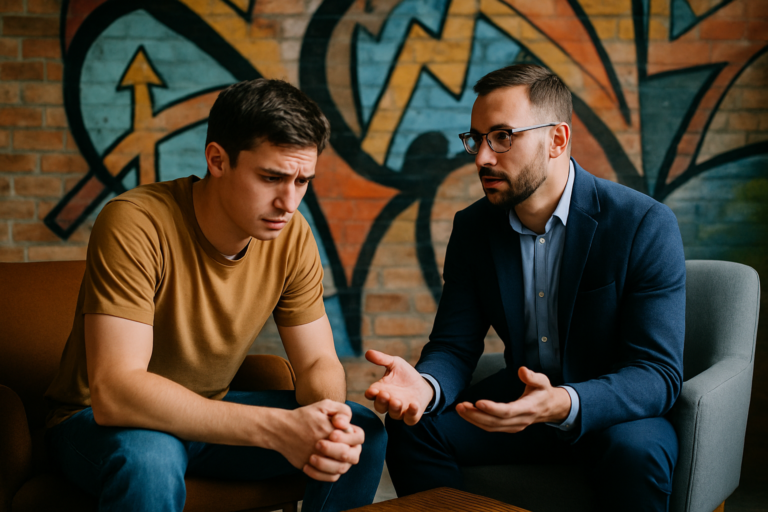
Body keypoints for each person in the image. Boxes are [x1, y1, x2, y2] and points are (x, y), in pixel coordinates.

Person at [44, 79, 386, 512]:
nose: (289, 202)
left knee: (363, 432)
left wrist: (329, 418)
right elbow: (117, 391)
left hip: (209, 414)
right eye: (272, 177)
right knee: (152, 456)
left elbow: (318, 362)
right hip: (96, 422)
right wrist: (276, 428)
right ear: (217, 160)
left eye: (303, 181)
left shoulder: (292, 235)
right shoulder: (134, 222)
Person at [365, 64, 685, 511]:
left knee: (638, 454)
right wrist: (425, 386)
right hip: (519, 407)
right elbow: (454, 346)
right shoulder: (474, 228)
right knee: (412, 428)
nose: (481, 158)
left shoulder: (643, 224)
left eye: (502, 136)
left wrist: (564, 402)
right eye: (476, 138)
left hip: (611, 414)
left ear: (557, 140)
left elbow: (657, 373)